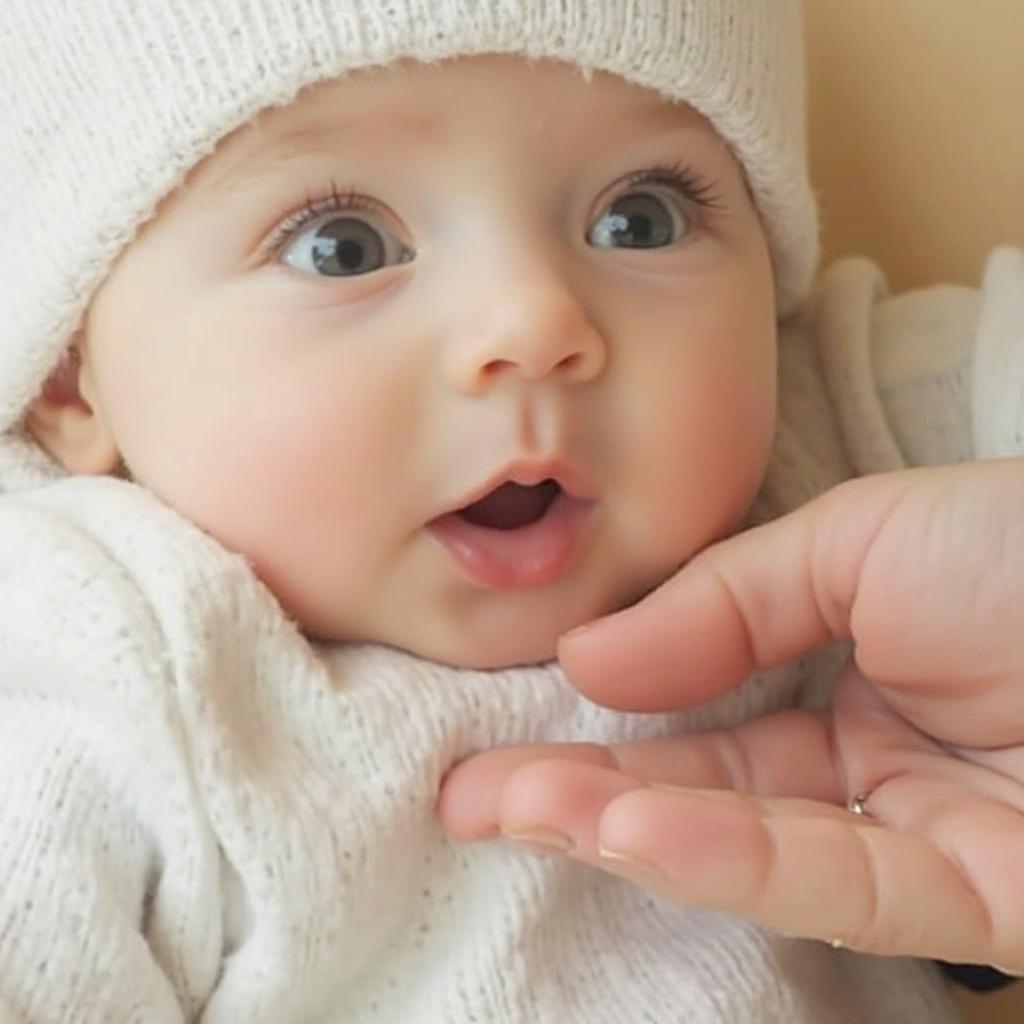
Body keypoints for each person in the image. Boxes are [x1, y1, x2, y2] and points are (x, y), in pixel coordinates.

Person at [0, 0, 997, 1020]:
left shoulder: (843, 457)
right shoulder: (100, 644)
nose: (534, 321)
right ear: (73, 379)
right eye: (343, 246)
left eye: (637, 218)